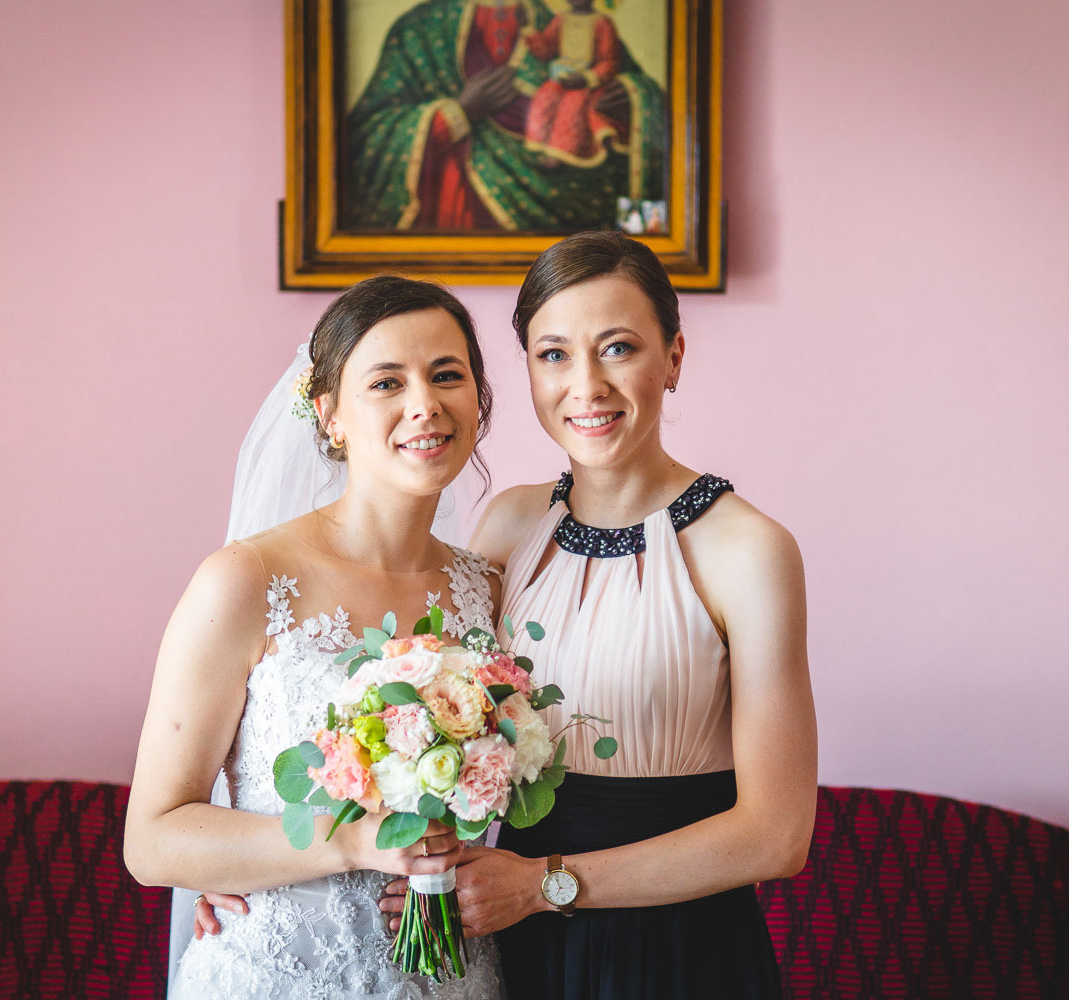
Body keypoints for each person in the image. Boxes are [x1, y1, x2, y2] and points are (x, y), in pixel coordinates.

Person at [381, 231, 818, 997]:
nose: (586, 386)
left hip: (680, 952)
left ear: (673, 358)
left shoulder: (749, 551)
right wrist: (275, 877)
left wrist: (543, 883)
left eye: (617, 348)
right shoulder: (507, 526)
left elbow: (777, 836)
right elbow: (422, 714)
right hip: (516, 944)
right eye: (554, 354)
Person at [124, 275, 504, 999]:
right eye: (386, 382)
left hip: (449, 974)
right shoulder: (245, 581)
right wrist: (352, 841)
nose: (424, 403)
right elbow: (152, 841)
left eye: (446, 375)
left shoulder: (484, 590)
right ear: (329, 415)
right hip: (277, 972)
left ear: (477, 401)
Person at [341, 0, 665, 232]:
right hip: (449, 206)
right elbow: (367, 137)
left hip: (561, 217)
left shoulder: (562, 17)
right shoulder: (421, 28)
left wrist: (629, 96)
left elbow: (642, 92)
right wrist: (456, 114)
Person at [524, 0, 623, 170]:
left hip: (590, 83)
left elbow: (609, 61)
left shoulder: (602, 23)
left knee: (572, 104)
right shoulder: (561, 19)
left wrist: (586, 78)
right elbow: (546, 50)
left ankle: (560, 155)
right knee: (545, 96)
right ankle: (541, 147)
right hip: (563, 77)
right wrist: (528, 30)